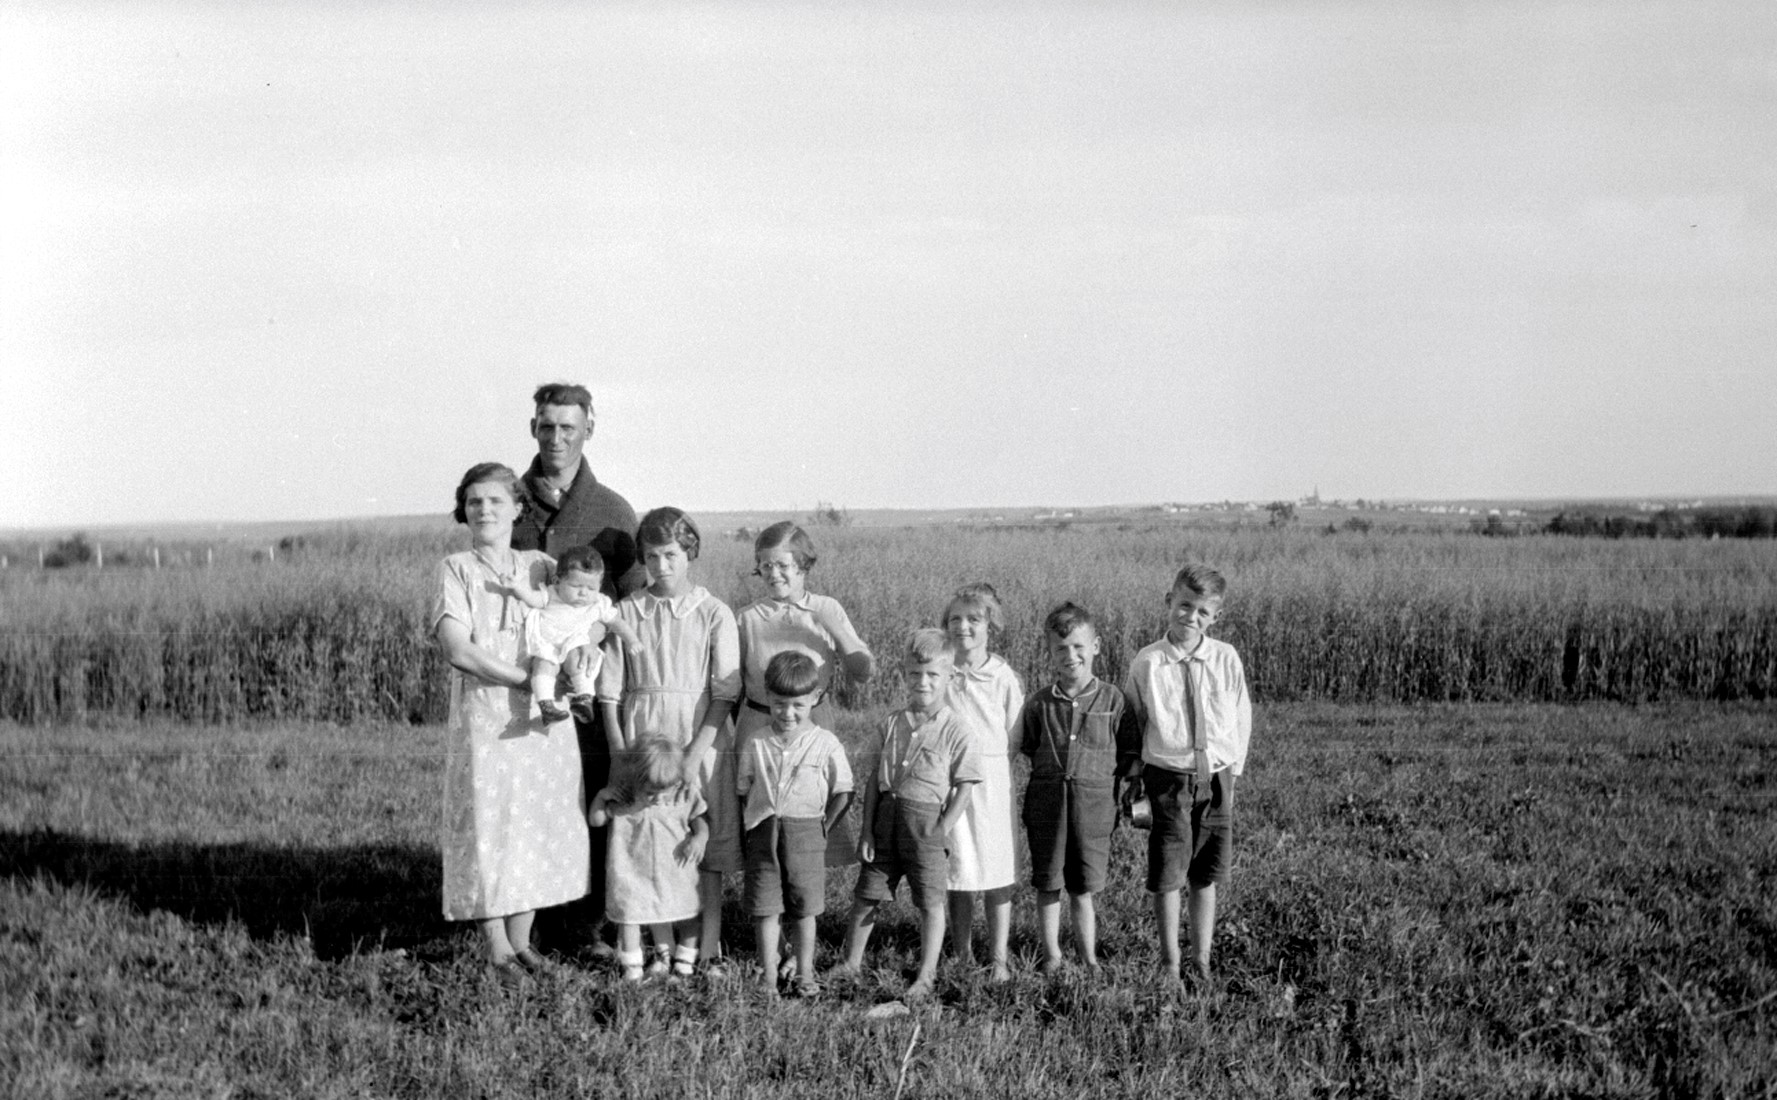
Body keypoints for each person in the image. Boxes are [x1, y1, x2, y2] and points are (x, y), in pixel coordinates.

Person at [430, 462, 590, 984]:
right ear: (464, 510)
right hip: (488, 717)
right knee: (490, 823)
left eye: (496, 500)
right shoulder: (457, 568)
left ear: (519, 507)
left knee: (537, 822)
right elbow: (458, 648)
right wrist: (524, 679)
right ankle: (497, 948)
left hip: (545, 719)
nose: (484, 510)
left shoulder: (543, 566)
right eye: (474, 501)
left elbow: (579, 621)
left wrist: (580, 664)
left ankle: (523, 945)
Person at [509, 382, 646, 953]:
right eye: (546, 425)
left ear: (590, 428)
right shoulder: (509, 500)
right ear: (533, 427)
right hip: (520, 682)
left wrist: (600, 642)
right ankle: (526, 921)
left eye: (569, 427)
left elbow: (633, 599)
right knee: (525, 799)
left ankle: (586, 926)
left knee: (589, 795)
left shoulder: (612, 511)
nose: (556, 437)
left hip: (590, 687)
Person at [596, 507, 742, 971]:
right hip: (643, 733)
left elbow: (725, 692)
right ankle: (657, 948)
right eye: (652, 556)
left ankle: (708, 948)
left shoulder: (714, 612)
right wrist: (621, 755)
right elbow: (609, 692)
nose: (662, 566)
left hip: (699, 732)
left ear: (689, 553)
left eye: (672, 555)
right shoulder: (626, 613)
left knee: (703, 839)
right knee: (643, 840)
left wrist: (695, 757)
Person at [1121, 564, 1253, 987]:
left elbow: (1240, 716)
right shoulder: (1148, 661)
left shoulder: (1225, 657)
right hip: (1168, 778)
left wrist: (1233, 773)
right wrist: (1134, 774)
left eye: (1201, 612)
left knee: (1205, 873)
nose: (1190, 618)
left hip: (1214, 779)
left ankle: (1202, 958)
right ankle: (1171, 964)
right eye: (1183, 606)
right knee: (1167, 876)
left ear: (1215, 617)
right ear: (1168, 603)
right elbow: (1134, 720)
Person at [836, 628, 982, 1002]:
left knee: (930, 901)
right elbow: (872, 781)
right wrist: (867, 831)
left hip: (926, 826)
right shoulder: (891, 724)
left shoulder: (958, 730)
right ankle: (850, 963)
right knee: (867, 895)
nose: (923, 682)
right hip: (886, 820)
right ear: (904, 674)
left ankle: (926, 975)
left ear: (950, 676)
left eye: (933, 674)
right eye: (915, 673)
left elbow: (964, 787)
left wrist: (942, 828)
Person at [1017, 602, 1141, 975]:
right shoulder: (1039, 703)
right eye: (1061, 648)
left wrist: (1130, 786)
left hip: (1094, 806)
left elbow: (1129, 752)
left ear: (1096, 646)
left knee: (1083, 888)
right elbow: (1029, 746)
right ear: (1050, 652)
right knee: (1049, 884)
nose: (1070, 656)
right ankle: (1052, 954)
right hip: (1047, 805)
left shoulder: (1114, 700)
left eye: (1078, 647)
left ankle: (1089, 957)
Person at [736, 651, 854, 999]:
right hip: (763, 831)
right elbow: (744, 788)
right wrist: (754, 825)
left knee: (804, 909)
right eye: (779, 704)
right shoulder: (756, 741)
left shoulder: (825, 743)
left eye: (798, 705)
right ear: (768, 698)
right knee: (766, 907)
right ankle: (769, 977)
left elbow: (844, 791)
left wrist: (822, 829)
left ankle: (805, 973)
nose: (788, 714)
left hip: (807, 833)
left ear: (815, 699)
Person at [941, 583, 1024, 983]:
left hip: (992, 783)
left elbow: (1015, 734)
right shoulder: (942, 671)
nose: (964, 627)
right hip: (950, 783)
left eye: (974, 619)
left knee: (996, 869)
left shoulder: (1002, 675)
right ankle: (960, 954)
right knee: (959, 869)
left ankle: (999, 958)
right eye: (955, 619)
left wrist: (990, 769)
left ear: (992, 625)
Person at [588, 735, 708, 981]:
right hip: (633, 873)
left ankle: (683, 962)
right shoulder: (627, 800)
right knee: (630, 916)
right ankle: (632, 969)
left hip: (675, 870)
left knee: (686, 911)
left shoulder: (680, 795)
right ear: (637, 780)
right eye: (651, 792)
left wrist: (700, 839)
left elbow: (700, 820)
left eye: (664, 791)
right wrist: (601, 798)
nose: (657, 798)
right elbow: (596, 820)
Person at [511, 545, 638, 722]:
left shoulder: (598, 603)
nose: (583, 593)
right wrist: (516, 587)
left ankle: (584, 697)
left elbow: (616, 621)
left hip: (576, 647)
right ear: (557, 581)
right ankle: (546, 706)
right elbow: (532, 598)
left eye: (591, 588)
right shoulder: (551, 594)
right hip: (548, 645)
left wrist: (631, 640)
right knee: (543, 665)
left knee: (579, 659)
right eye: (575, 585)